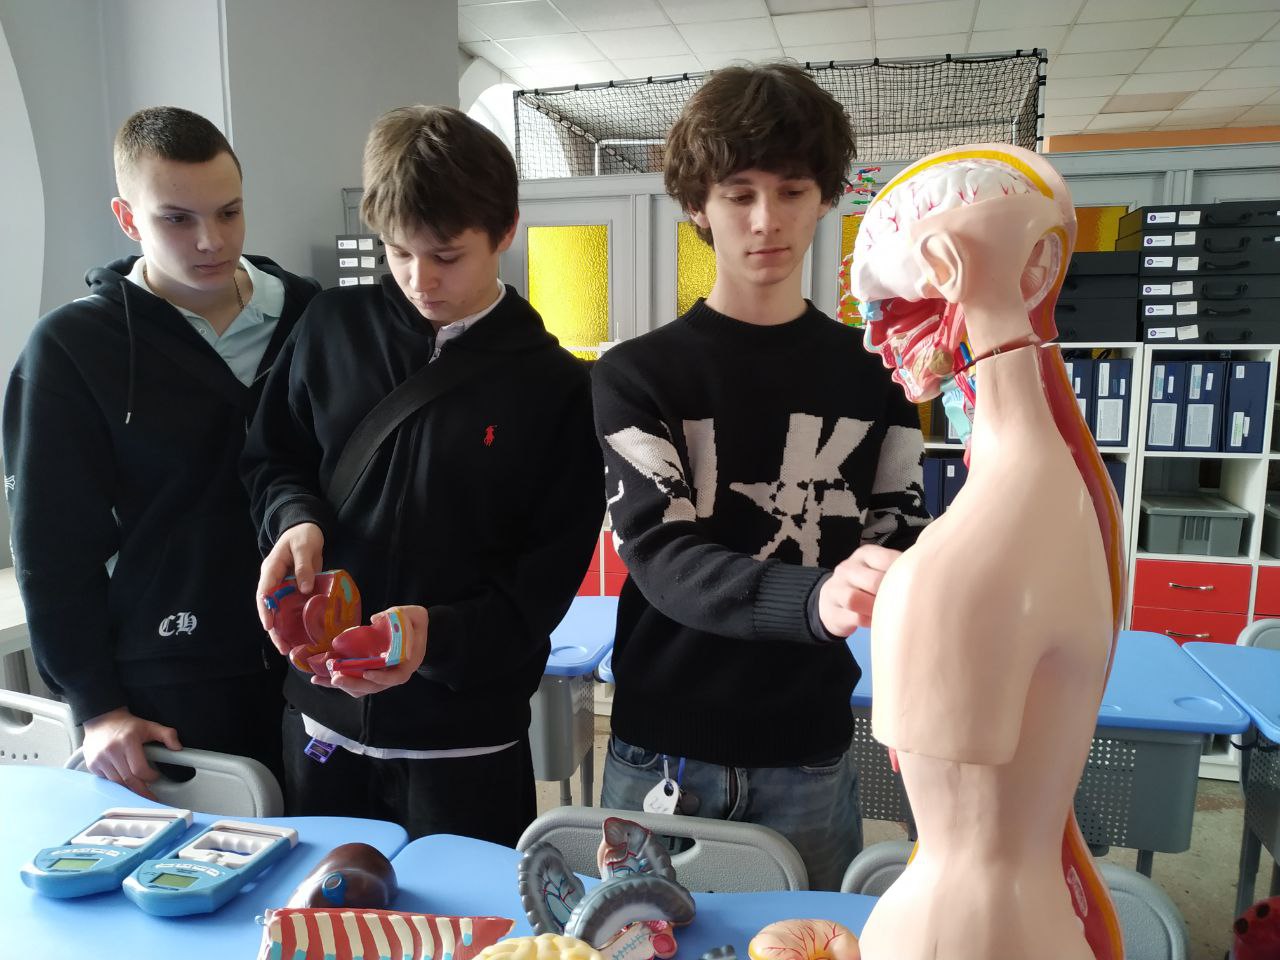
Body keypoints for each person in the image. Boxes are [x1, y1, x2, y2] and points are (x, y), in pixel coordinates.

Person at [590, 63, 930, 891]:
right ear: (698, 206)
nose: (765, 219)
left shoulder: (878, 375)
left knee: (814, 940)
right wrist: (817, 597)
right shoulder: (636, 374)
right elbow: (660, 554)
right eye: (738, 194)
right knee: (633, 938)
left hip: (807, 746)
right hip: (661, 746)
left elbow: (901, 533)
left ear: (826, 198)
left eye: (791, 191)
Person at [242, 105, 604, 845]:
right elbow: (273, 458)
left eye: (447, 255)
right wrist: (293, 519)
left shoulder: (555, 387)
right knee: (326, 906)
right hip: (321, 726)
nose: (419, 279)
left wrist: (434, 637)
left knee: (468, 913)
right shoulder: (330, 326)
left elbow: (541, 587)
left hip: (464, 744)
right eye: (399, 252)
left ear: (504, 231)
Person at [3, 105, 318, 796]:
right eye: (177, 219)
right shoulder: (71, 350)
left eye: (229, 212)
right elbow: (52, 546)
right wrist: (97, 706)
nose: (211, 240)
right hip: (169, 680)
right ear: (127, 219)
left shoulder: (312, 318)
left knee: (337, 862)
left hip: (316, 659)